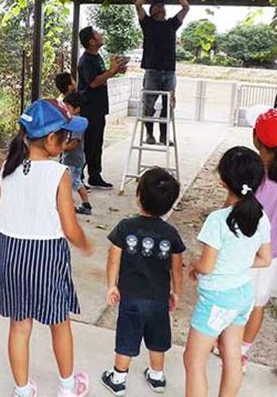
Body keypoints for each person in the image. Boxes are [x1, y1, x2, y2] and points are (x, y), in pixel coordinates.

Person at [0, 99, 94, 397]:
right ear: (51, 139)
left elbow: (2, 210)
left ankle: (23, 390)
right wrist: (85, 243)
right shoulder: (58, 174)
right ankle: (68, 387)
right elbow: (70, 228)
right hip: (44, 255)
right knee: (59, 323)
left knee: (19, 326)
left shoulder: (6, 170)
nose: (70, 141)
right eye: (67, 136)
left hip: (9, 253)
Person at [184, 146, 272, 397]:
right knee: (232, 357)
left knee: (193, 359)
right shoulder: (261, 217)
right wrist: (239, 262)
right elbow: (264, 259)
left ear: (223, 181)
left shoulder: (217, 220)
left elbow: (208, 266)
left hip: (217, 299)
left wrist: (194, 264)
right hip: (244, 294)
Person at [100, 168, 184, 396]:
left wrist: (111, 285)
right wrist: (176, 293)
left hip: (131, 297)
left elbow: (113, 260)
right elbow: (177, 268)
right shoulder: (171, 234)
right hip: (158, 298)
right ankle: (157, 376)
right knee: (158, 338)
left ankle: (118, 378)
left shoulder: (125, 227)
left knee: (127, 336)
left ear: (138, 196)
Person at [239, 108, 277, 369]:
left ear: (255, 138)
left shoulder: (248, 173)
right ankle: (243, 351)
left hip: (244, 249)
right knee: (258, 304)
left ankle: (225, 344)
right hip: (272, 252)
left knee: (237, 301)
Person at [134, 0, 190, 145]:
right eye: (157, 6)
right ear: (151, 10)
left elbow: (186, 8)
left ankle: (164, 136)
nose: (160, 8)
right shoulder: (147, 23)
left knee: (169, 106)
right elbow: (138, 4)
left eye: (162, 6)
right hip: (151, 71)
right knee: (149, 105)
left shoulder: (172, 24)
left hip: (169, 72)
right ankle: (150, 135)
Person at [77, 26, 128, 189]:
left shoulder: (97, 57)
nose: (101, 34)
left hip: (99, 107)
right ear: (92, 41)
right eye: (98, 33)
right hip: (88, 108)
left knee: (96, 143)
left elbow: (101, 77)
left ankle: (95, 175)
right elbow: (94, 82)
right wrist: (112, 71)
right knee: (88, 144)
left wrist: (115, 71)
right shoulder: (86, 60)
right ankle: (78, 176)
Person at [61, 91, 92, 215]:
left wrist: (62, 148)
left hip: (73, 159)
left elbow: (74, 143)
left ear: (77, 109)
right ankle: (85, 203)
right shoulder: (71, 122)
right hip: (72, 159)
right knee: (76, 182)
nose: (65, 111)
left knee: (71, 183)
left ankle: (72, 205)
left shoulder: (77, 123)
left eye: (67, 108)